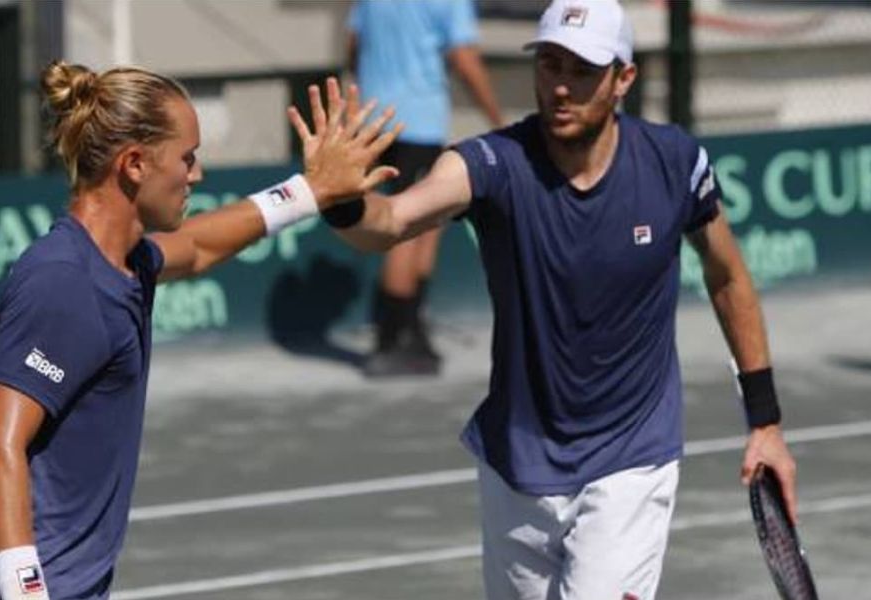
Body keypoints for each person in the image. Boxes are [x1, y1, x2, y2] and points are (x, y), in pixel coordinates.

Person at [320, 1, 798, 598]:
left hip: (632, 459)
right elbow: (387, 223)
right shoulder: (492, 163)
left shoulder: (675, 164)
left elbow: (728, 277)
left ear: (623, 78)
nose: (562, 87)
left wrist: (765, 421)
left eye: (582, 69)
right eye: (550, 65)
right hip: (518, 465)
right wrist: (339, 198)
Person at [0, 62, 399, 600]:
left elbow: (199, 246)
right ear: (134, 164)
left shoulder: (126, 263)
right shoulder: (62, 282)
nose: (196, 175)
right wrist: (26, 593)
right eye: (187, 158)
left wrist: (309, 191)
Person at [346, 0, 503, 377]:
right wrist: (497, 120)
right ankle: (392, 338)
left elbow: (353, 45)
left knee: (424, 224)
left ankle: (412, 328)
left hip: (375, 121)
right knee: (407, 229)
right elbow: (465, 59)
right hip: (418, 122)